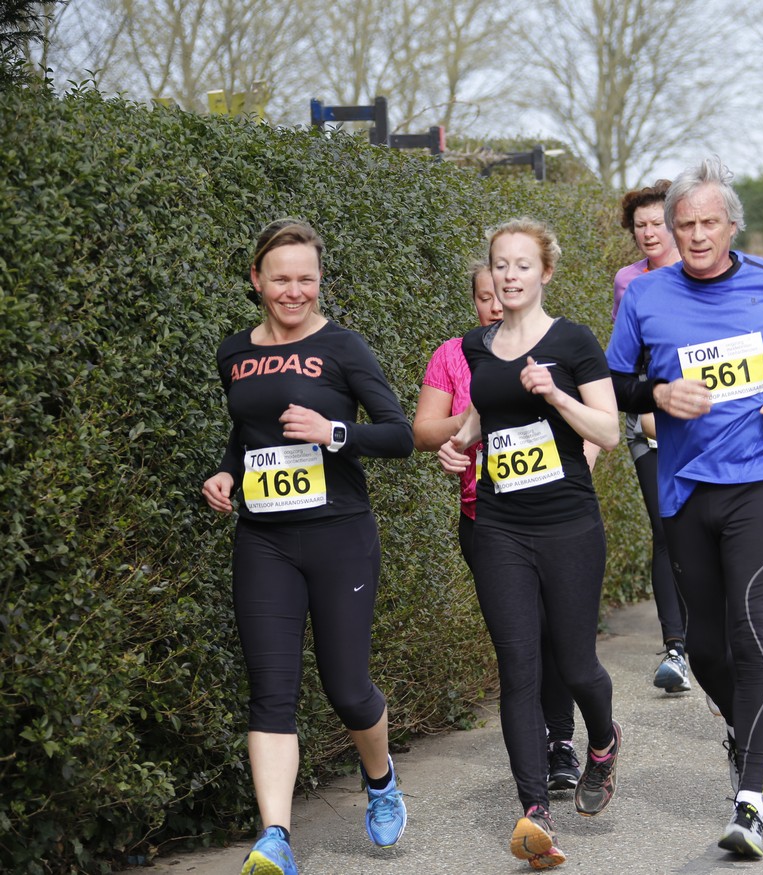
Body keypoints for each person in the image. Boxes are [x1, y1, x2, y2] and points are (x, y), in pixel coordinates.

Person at [606, 157, 763, 860]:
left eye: (709, 222)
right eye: (686, 225)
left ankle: (750, 800)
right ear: (671, 231)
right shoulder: (646, 297)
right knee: (705, 647)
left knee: (750, 631)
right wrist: (655, 394)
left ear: (732, 225)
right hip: (684, 488)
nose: (698, 235)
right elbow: (611, 379)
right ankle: (743, 729)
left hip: (759, 477)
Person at [201, 219, 414, 875]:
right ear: (256, 280)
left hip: (339, 535)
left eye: (306, 279)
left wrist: (334, 431)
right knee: (271, 692)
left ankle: (379, 779)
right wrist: (226, 473)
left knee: (347, 688)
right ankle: (275, 837)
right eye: (281, 279)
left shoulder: (342, 346)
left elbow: (399, 434)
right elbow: (248, 433)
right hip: (264, 540)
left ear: (319, 281)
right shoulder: (234, 353)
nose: (293, 291)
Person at [438, 218, 621, 870]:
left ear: (545, 272)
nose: (509, 275)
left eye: (522, 264)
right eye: (500, 264)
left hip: (568, 523)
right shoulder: (476, 346)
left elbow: (609, 430)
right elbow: (482, 414)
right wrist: (459, 444)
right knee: (517, 666)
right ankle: (534, 811)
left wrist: (555, 394)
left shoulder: (572, 341)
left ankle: (603, 742)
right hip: (499, 526)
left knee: (575, 665)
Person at [413, 263, 582, 797]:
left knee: (555, 632)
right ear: (474, 302)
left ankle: (562, 741)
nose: (494, 304)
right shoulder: (453, 355)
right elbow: (423, 431)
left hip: (553, 513)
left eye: (501, 293)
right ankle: (537, 769)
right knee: (520, 641)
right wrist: (474, 419)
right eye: (483, 296)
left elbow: (591, 423)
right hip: (485, 517)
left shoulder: (555, 345)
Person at [612, 180, 690, 695]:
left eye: (656, 223)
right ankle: (676, 647)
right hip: (648, 417)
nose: (648, 232)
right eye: (639, 225)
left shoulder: (699, 271)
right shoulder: (628, 281)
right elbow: (622, 360)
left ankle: (714, 629)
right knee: (665, 530)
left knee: (701, 527)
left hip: (702, 417)